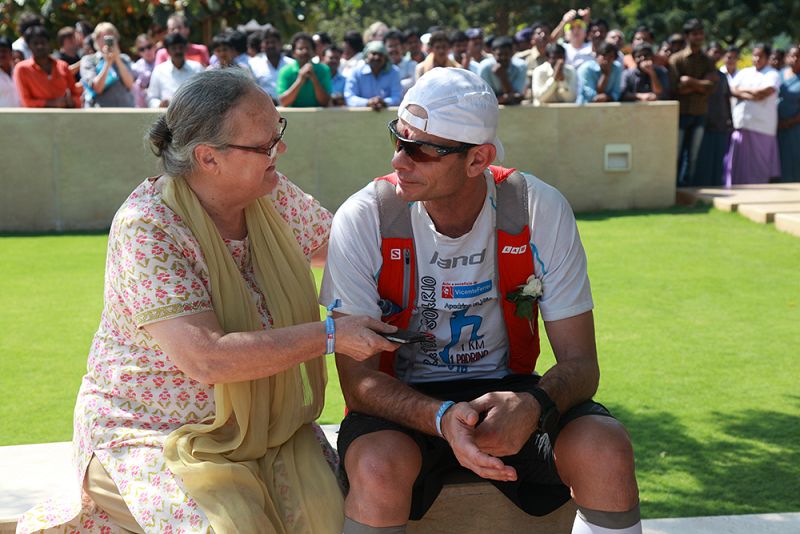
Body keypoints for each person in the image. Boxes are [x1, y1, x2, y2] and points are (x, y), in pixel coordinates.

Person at [16, 68, 397, 534]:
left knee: (329, 516)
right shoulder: (149, 226)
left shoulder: (271, 198)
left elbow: (347, 251)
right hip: (156, 433)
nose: (281, 151)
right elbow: (208, 357)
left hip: (268, 429)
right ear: (207, 158)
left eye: (279, 132)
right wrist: (334, 335)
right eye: (264, 145)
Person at [320, 67, 641, 534]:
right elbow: (358, 384)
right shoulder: (365, 215)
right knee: (376, 467)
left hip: (510, 391)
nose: (399, 160)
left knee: (605, 446)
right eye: (399, 138)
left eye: (423, 149)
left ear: (478, 160)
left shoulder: (537, 207)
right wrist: (442, 416)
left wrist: (532, 404)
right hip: (402, 402)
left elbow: (582, 364)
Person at [724, 43, 781, 186]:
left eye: (760, 56)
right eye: (754, 55)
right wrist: (751, 93)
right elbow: (731, 90)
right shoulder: (744, 72)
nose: (756, 59)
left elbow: (764, 93)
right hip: (741, 125)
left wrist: (742, 92)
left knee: (759, 166)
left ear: (767, 58)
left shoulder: (772, 74)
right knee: (737, 164)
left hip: (762, 127)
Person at [669, 18, 717, 185]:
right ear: (687, 36)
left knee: (693, 155)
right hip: (681, 113)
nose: (699, 37)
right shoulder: (676, 59)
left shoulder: (708, 60)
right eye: (695, 34)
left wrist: (690, 81)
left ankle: (688, 188)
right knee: (676, 154)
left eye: (701, 33)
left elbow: (711, 86)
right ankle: (673, 188)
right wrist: (700, 85)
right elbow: (676, 89)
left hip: (699, 113)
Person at [14, 25, 81, 108]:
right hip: (37, 119)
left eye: (43, 42)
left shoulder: (62, 66)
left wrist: (71, 102)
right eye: (35, 43)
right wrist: (52, 103)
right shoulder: (22, 69)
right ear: (29, 46)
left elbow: (76, 95)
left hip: (64, 118)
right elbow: (26, 102)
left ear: (49, 43)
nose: (40, 46)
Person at [694, 44, 733, 186]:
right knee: (703, 159)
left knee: (718, 160)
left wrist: (730, 120)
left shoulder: (722, 76)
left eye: (719, 53)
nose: (716, 55)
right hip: (704, 123)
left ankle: (717, 186)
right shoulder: (700, 74)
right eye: (714, 52)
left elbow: (726, 99)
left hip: (720, 124)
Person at [80, 22, 135, 108]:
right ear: (96, 40)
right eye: (105, 39)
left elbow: (130, 85)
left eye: (111, 39)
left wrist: (117, 59)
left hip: (125, 111)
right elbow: (97, 88)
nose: (108, 43)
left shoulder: (124, 59)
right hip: (101, 114)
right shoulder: (89, 61)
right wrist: (107, 63)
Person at [147, 33, 204, 108]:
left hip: (192, 116)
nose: (178, 51)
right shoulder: (159, 71)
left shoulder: (197, 68)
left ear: (186, 48)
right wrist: (160, 104)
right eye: (174, 48)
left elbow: (204, 95)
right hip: (166, 116)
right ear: (167, 51)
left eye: (181, 47)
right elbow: (151, 98)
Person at [277, 32, 331, 107]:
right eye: (300, 49)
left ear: (314, 51)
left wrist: (314, 78)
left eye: (308, 48)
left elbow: (325, 102)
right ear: (293, 53)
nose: (305, 51)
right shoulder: (285, 71)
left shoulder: (324, 70)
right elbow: (284, 102)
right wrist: (300, 80)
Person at [344, 40, 402, 110]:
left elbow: (397, 97)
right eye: (374, 54)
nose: (377, 57)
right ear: (366, 56)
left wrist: (383, 102)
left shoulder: (394, 72)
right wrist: (368, 102)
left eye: (380, 54)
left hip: (387, 116)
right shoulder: (356, 72)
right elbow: (349, 97)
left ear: (385, 58)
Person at [249, 26, 294, 103]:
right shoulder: (254, 64)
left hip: (290, 108)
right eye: (267, 42)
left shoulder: (291, 64)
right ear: (262, 45)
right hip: (265, 109)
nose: (270, 45)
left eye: (273, 42)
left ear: (280, 44)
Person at [478, 36, 526, 105]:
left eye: (506, 54)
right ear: (493, 53)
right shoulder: (484, 67)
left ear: (512, 53)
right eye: (500, 55)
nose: (503, 58)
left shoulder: (521, 66)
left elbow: (517, 96)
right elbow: (483, 99)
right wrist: (506, 98)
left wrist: (502, 77)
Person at [778, 46, 800, 182]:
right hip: (777, 126)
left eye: (799, 56)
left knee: (795, 158)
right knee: (779, 158)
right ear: (787, 57)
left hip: (796, 127)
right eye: (792, 55)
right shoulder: (779, 74)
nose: (795, 59)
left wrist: (790, 122)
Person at [131, 33, 156, 108]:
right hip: (142, 107)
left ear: (154, 46)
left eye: (149, 47)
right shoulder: (135, 67)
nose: (146, 51)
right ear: (138, 52)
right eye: (142, 49)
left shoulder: (162, 61)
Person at [0, 37, 21, 107]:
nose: (1, 55)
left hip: (22, 115)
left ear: (11, 53)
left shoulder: (19, 69)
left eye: (4, 51)